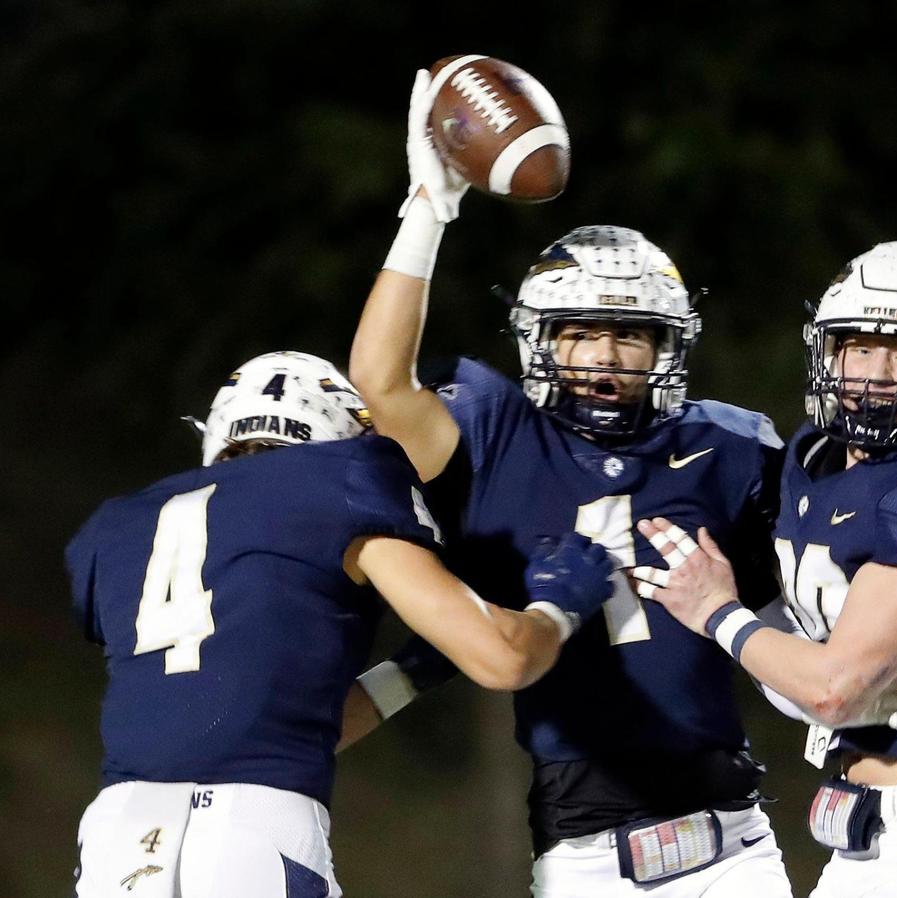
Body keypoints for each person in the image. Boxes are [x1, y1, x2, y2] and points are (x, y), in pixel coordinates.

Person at [346, 69, 897, 897]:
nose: (606, 359)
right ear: (539, 341)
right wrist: (428, 209)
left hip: (735, 838)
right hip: (585, 850)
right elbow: (379, 383)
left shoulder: (725, 445)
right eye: (580, 335)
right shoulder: (498, 432)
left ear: (669, 347)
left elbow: (812, 597)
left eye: (631, 338)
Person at [67, 350, 614, 898]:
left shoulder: (117, 524)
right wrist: (559, 606)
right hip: (252, 830)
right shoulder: (343, 476)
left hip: (117, 839)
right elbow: (504, 657)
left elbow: (274, 723)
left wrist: (412, 670)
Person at [634, 242, 897, 897]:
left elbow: (834, 689)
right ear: (827, 352)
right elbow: (807, 683)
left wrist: (717, 612)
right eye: (860, 347)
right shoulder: (811, 459)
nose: (878, 374)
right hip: (871, 839)